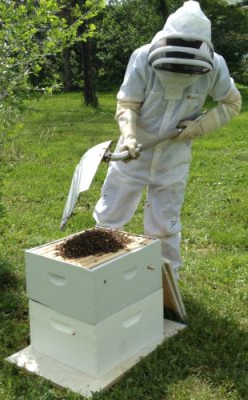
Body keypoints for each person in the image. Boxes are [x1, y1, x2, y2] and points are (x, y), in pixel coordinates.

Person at [93, 0, 242, 280]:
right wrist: (128, 136)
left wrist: (199, 127)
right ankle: (102, 279)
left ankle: (163, 289)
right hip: (133, 151)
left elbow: (232, 103)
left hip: (174, 158)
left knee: (164, 226)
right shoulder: (142, 57)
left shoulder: (216, 66)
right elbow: (127, 104)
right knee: (109, 218)